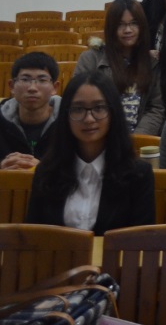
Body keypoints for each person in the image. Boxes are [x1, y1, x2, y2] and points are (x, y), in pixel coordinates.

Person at [25, 71, 155, 235]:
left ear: (113, 112)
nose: (89, 119)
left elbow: (140, 242)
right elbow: (34, 237)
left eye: (99, 108)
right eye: (78, 109)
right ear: (66, 115)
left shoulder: (138, 175)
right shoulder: (47, 172)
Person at [0, 52, 62, 171]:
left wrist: (44, 170)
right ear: (12, 86)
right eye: (25, 79)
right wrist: (0, 166)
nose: (32, 88)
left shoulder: (69, 123)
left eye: (42, 80)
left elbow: (78, 172)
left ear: (55, 87)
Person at [74, 0, 163, 134]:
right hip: (100, 136)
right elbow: (80, 101)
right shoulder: (90, 59)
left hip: (138, 140)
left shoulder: (152, 62)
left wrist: (137, 139)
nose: (128, 30)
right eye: (120, 25)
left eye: (134, 23)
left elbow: (155, 108)